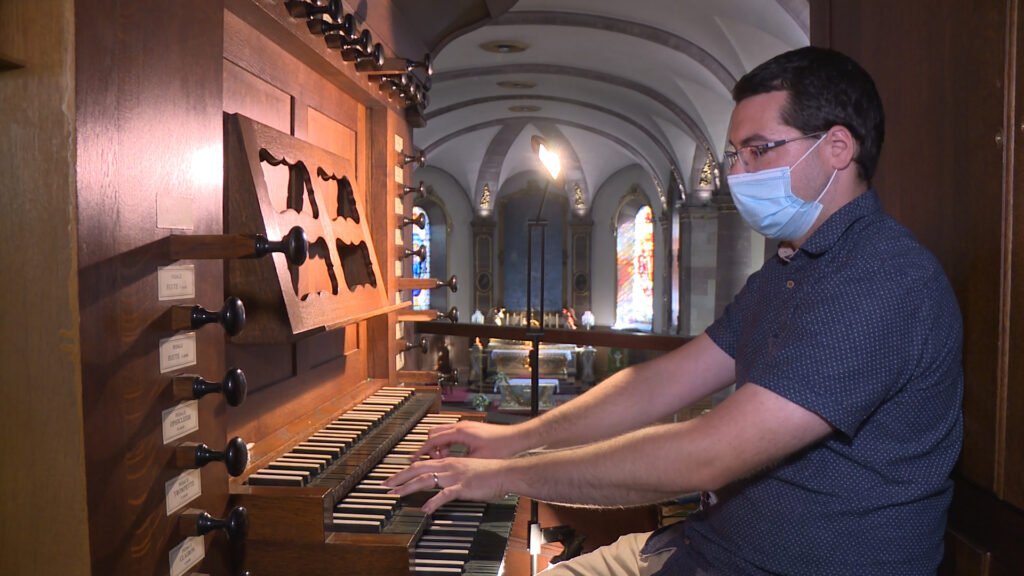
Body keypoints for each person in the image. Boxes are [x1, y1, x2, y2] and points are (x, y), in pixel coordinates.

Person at [384, 46, 963, 576]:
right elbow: (659, 382)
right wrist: (514, 439)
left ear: (837, 147)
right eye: (734, 155)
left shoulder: (883, 280)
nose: (737, 173)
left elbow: (710, 455)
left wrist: (505, 476)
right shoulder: (790, 270)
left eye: (758, 150)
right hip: (704, 551)